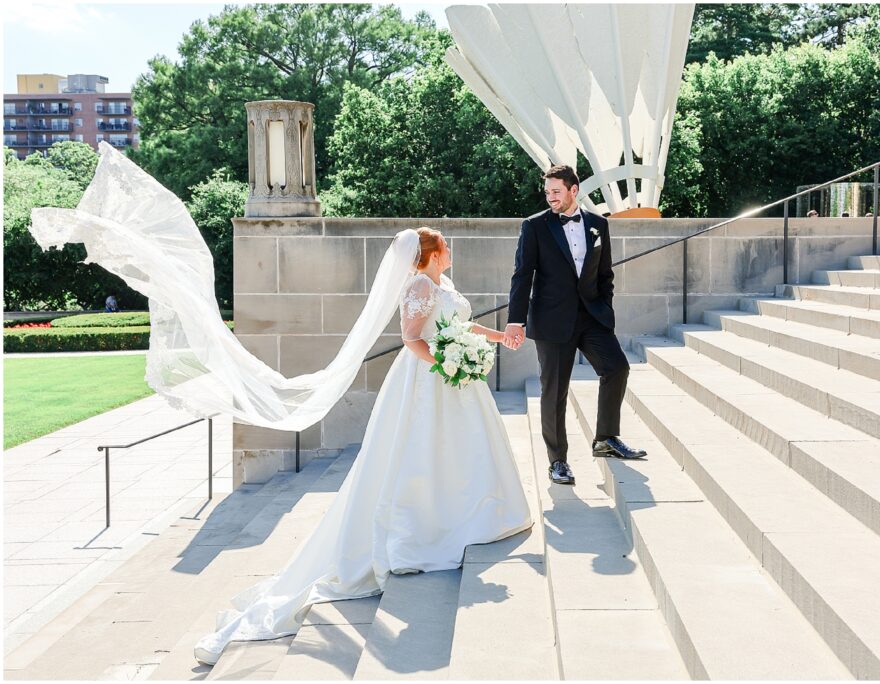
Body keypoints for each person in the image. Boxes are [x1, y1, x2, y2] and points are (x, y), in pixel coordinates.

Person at [193, 227, 533, 665]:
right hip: (428, 382)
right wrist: (450, 363)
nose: (451, 250)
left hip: (455, 381)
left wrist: (495, 339)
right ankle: (423, 529)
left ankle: (468, 515)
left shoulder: (442, 283)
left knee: (462, 452)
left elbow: (459, 325)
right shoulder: (419, 285)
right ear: (430, 254)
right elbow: (413, 339)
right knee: (420, 456)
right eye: (445, 245)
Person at [502, 165, 647, 487]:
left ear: (573, 190)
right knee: (554, 391)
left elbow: (605, 273)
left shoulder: (598, 225)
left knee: (617, 369)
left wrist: (605, 307)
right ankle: (558, 461)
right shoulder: (535, 226)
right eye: (547, 193)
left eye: (556, 191)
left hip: (592, 318)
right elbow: (522, 275)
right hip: (552, 321)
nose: (550, 197)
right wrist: (515, 321)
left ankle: (606, 438)